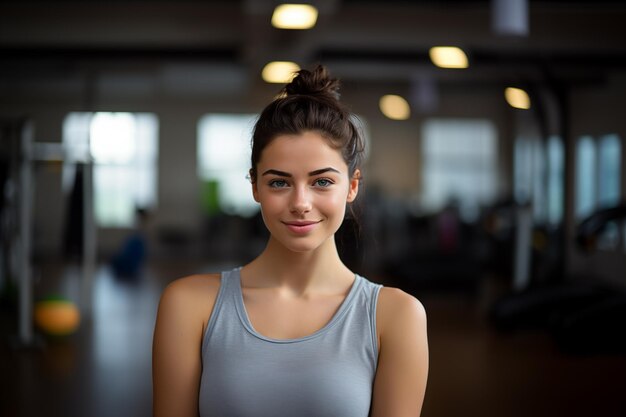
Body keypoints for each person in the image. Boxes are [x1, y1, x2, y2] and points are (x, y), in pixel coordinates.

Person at [152, 65, 428, 417]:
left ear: (352, 186)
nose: (300, 203)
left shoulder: (396, 315)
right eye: (279, 182)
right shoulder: (189, 306)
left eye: (322, 182)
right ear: (255, 186)